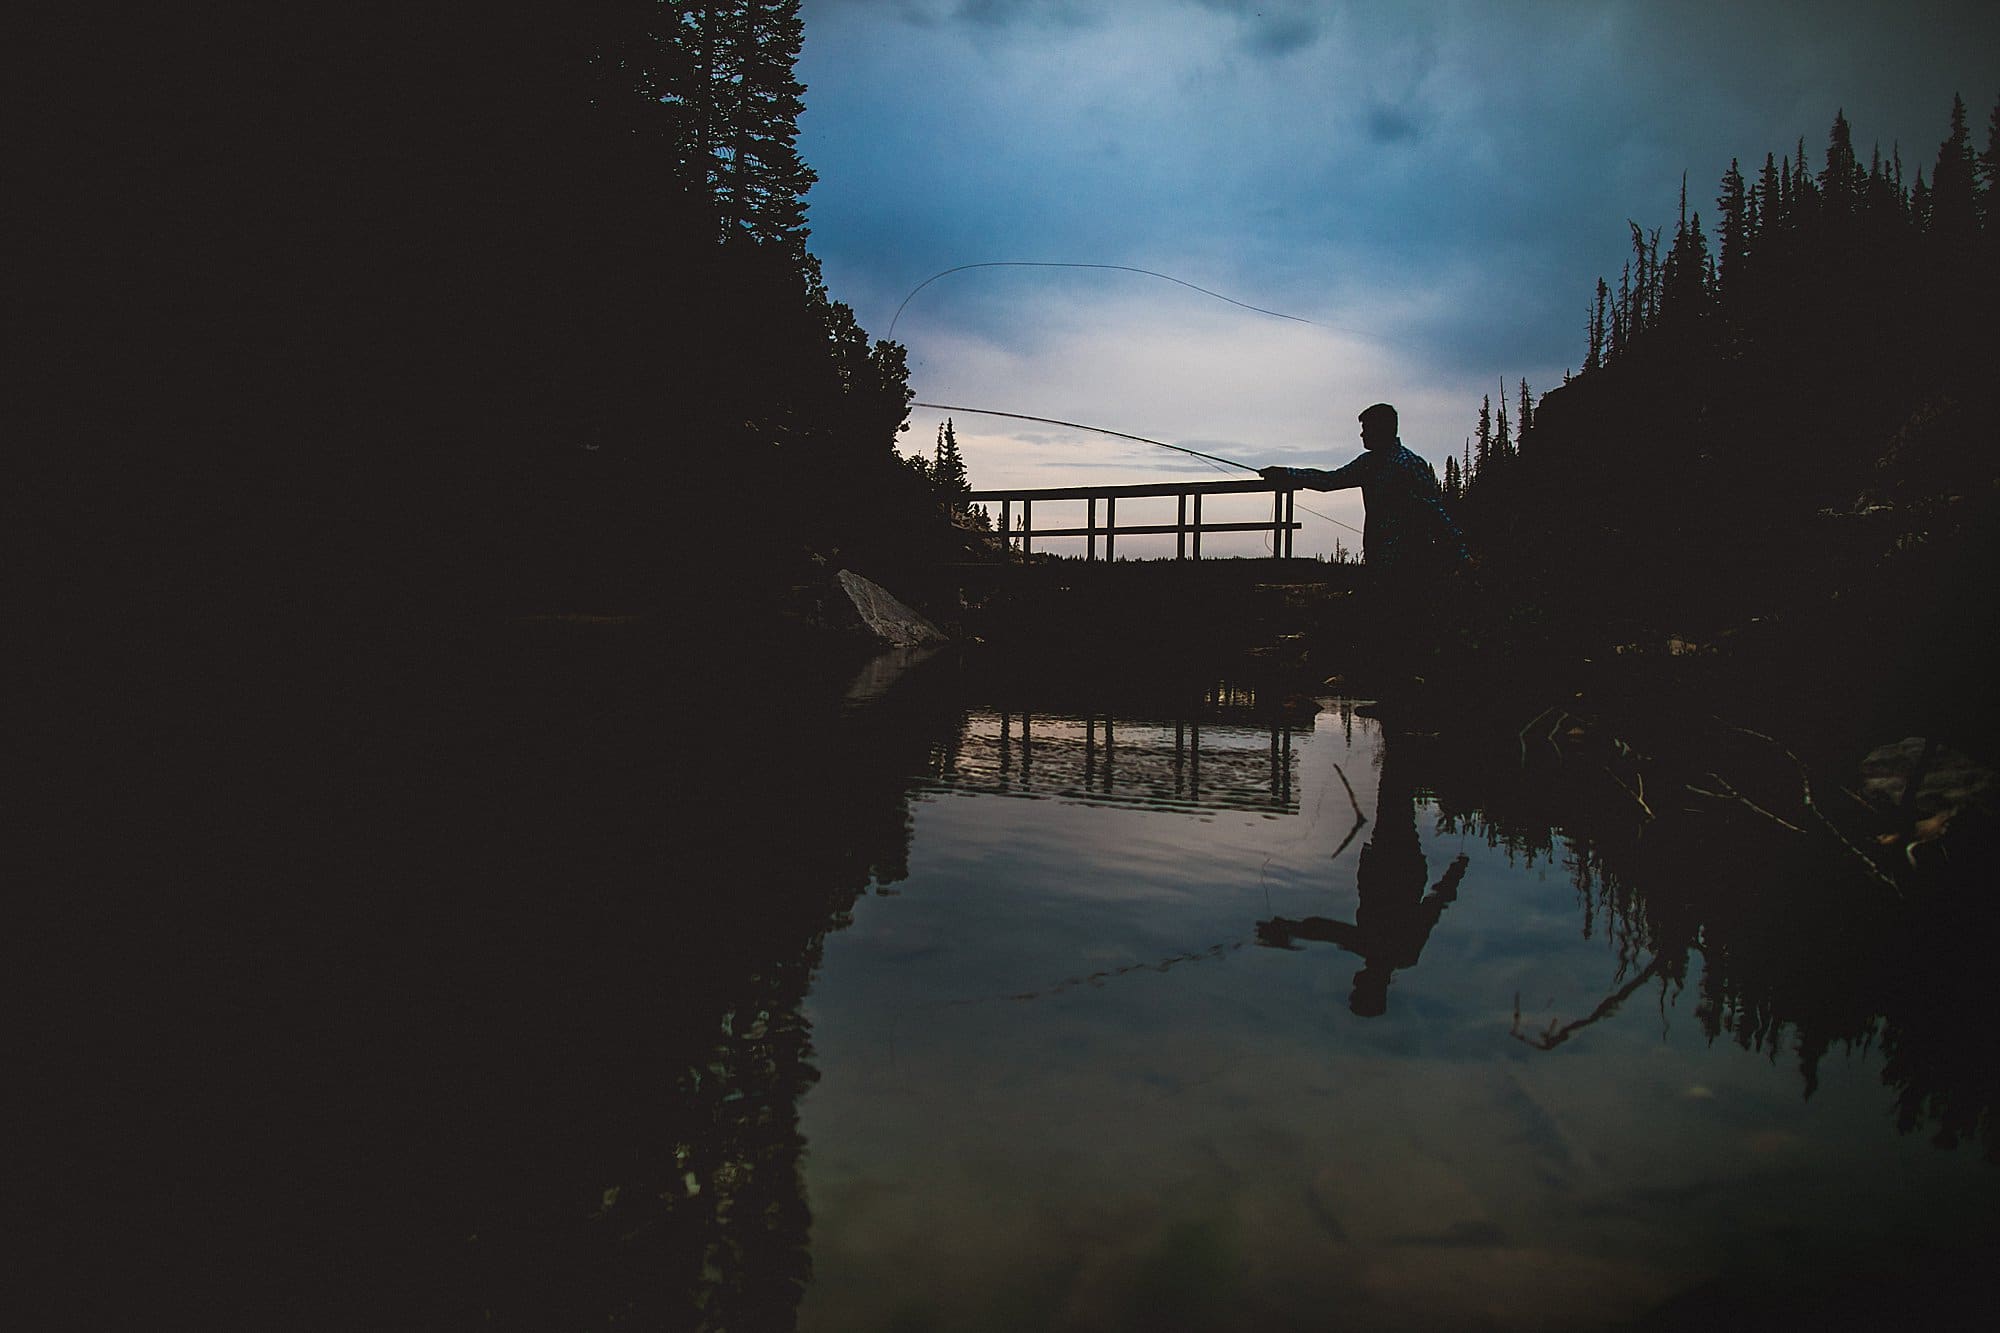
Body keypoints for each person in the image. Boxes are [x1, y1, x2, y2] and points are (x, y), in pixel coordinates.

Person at [1259, 402, 1466, 584]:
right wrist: (1285, 473)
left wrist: (1461, 556)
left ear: (1381, 430)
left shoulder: (1407, 465)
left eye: (1366, 429)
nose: (1362, 434)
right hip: (1384, 563)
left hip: (1408, 564)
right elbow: (1329, 480)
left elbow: (1434, 512)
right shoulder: (1371, 463)